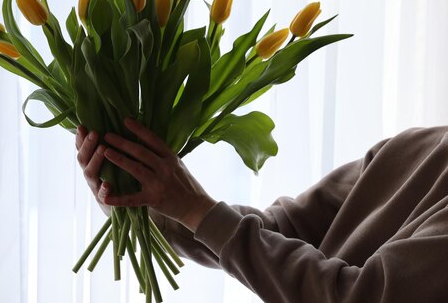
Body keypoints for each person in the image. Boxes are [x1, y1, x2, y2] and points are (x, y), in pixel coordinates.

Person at [75, 117, 448, 303]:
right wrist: (134, 197)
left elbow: (358, 296)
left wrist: (193, 207)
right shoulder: (417, 147)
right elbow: (277, 230)